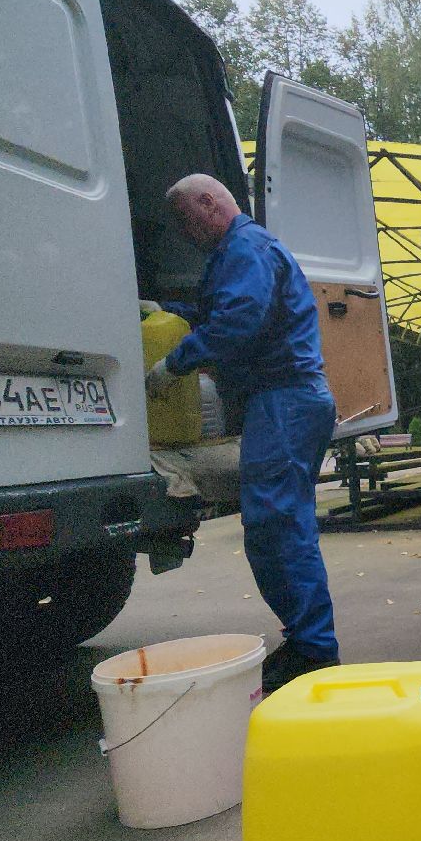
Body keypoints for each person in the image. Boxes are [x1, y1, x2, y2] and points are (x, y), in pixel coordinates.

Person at [147, 174, 339, 693]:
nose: (185, 234)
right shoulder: (240, 252)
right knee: (275, 525)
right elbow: (222, 312)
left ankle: (315, 650)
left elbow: (239, 320)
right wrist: (169, 314)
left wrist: (174, 363)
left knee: (279, 526)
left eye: (187, 221)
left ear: (209, 203)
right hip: (283, 402)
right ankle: (307, 640)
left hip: (284, 400)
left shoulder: (245, 249)